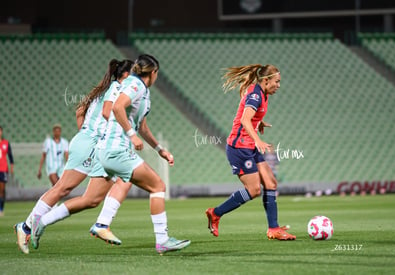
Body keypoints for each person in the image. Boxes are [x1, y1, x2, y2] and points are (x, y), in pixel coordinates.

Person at [53, 54, 190, 255]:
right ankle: (160, 240)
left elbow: (142, 126)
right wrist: (132, 135)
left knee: (98, 196)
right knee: (157, 186)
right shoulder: (135, 85)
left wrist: (160, 150)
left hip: (112, 150)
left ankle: (101, 224)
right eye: (157, 73)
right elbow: (117, 107)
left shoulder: (140, 89)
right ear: (153, 73)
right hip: (115, 148)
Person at [14, 59, 133, 254]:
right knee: (63, 187)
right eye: (134, 74)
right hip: (91, 143)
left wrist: (84, 132)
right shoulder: (117, 90)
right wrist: (89, 135)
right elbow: (106, 113)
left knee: (97, 196)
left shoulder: (104, 89)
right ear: (126, 75)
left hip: (95, 144)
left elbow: (80, 111)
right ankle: (26, 226)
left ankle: (102, 225)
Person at [205, 64, 296, 240]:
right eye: (277, 81)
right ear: (266, 80)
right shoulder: (256, 95)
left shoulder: (262, 93)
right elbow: (245, 120)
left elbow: (250, 118)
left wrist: (259, 123)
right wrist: (258, 139)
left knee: (271, 183)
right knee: (254, 190)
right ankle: (215, 213)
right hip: (239, 148)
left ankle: (274, 229)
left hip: (249, 147)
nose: (279, 85)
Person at [0, 126, 14, 216]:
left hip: (3, 169)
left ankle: (1, 209)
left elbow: (10, 156)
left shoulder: (6, 143)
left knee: (2, 190)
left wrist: (12, 167)